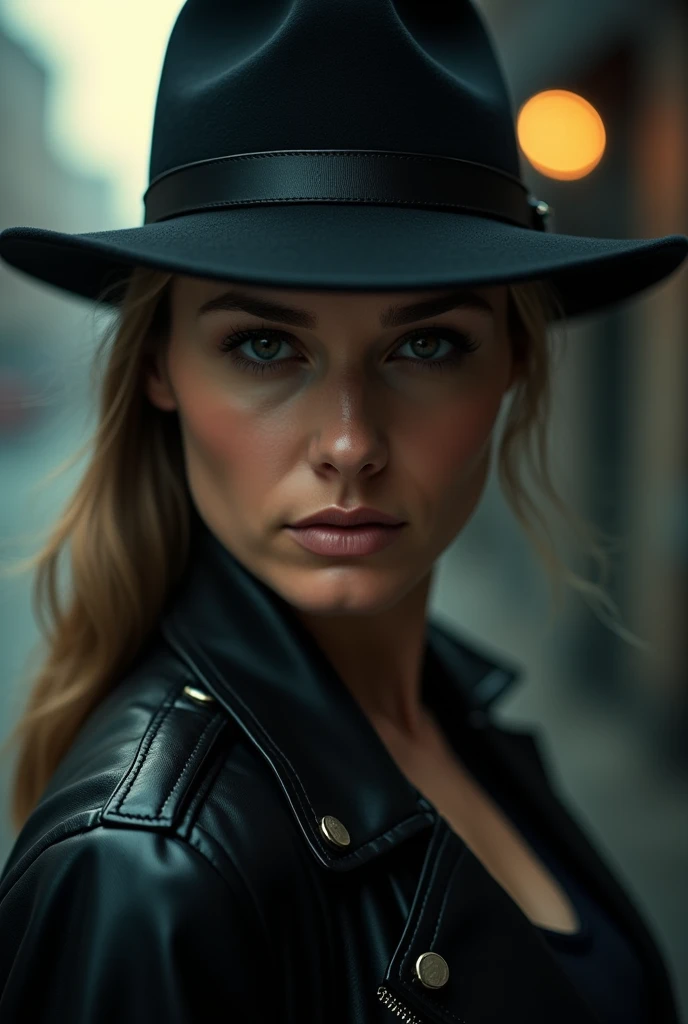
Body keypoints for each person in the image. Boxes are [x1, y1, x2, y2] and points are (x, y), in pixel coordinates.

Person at [0, 1, 685, 1022]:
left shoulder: (454, 715)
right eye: (266, 347)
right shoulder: (145, 870)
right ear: (159, 367)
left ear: (512, 364)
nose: (350, 441)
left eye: (425, 344)